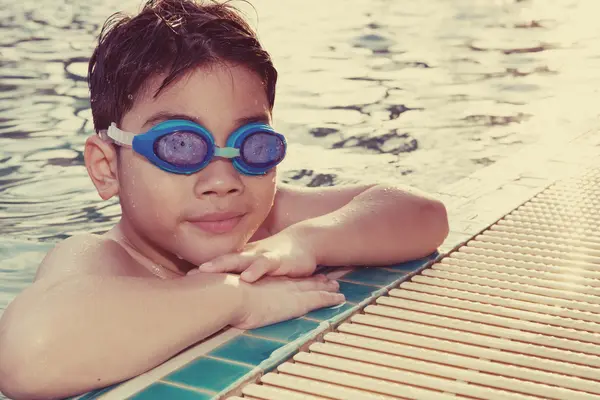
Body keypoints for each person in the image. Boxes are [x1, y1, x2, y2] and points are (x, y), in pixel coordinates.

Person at [0, 1, 449, 399]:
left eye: (253, 145)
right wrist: (231, 298)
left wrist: (306, 242)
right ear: (107, 168)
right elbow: (26, 356)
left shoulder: (269, 225)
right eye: (179, 145)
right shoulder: (100, 259)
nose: (222, 180)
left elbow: (423, 214)